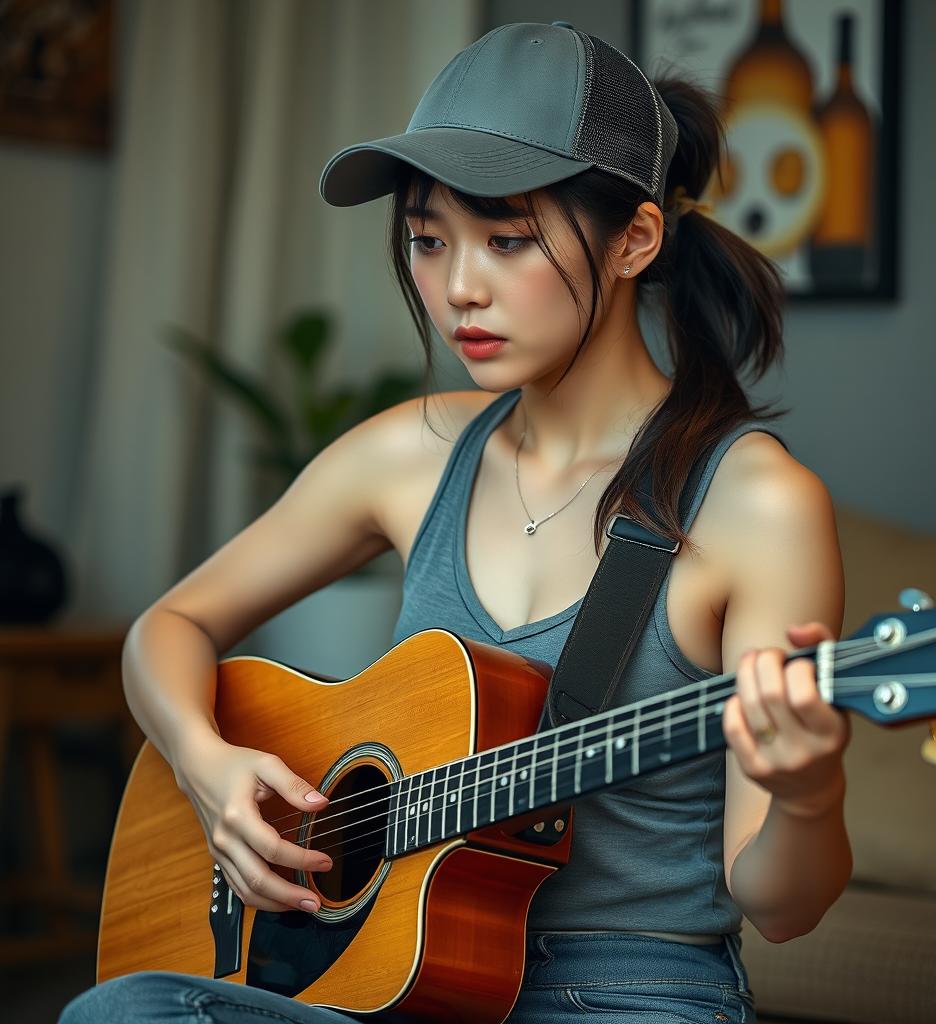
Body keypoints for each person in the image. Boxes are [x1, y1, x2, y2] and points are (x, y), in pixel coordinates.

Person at [60, 20, 850, 1024]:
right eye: (429, 240)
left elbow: (780, 906)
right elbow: (162, 631)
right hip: (396, 988)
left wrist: (809, 790)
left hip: (627, 991)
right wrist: (209, 767)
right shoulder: (412, 452)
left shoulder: (753, 505)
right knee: (123, 1011)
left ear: (634, 240)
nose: (458, 288)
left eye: (507, 239)